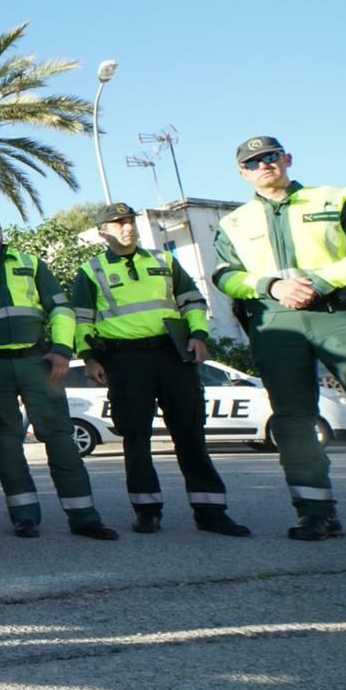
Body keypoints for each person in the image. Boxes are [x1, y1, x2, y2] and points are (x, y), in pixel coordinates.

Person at [212, 136, 346, 545]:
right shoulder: (234, 222)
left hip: (343, 313)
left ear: (287, 159)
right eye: (253, 162)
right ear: (243, 172)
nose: (264, 165)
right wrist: (271, 286)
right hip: (278, 321)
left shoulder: (337, 198)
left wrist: (323, 279)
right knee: (293, 421)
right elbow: (225, 274)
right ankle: (315, 514)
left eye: (271, 157)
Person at [72, 202, 249, 537]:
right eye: (118, 222)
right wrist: (90, 358)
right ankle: (146, 510)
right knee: (136, 438)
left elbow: (192, 302)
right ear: (102, 232)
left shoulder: (163, 259)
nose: (127, 227)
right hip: (124, 362)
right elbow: (82, 320)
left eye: (130, 221)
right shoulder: (90, 270)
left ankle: (211, 511)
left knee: (190, 433)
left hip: (172, 355)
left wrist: (198, 335)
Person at [0, 206, 118, 541]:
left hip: (37, 362)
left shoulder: (30, 264)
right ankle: (24, 516)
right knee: (7, 441)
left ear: (0, 230)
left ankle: (84, 516)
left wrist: (61, 349)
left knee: (60, 437)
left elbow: (60, 308)